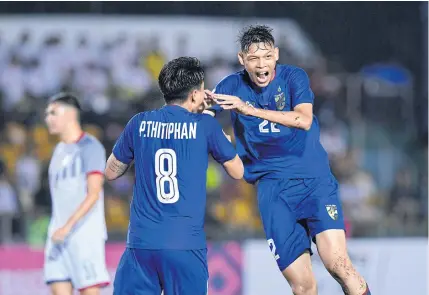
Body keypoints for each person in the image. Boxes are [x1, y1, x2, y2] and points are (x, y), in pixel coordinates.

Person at [204, 25, 371, 295]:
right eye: (254, 59)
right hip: (273, 192)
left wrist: (249, 109)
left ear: (277, 55)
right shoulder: (231, 86)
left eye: (267, 57)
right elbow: (201, 112)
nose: (261, 65)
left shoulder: (294, 78)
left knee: (339, 265)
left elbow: (303, 119)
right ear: (241, 59)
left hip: (313, 182)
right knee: (303, 286)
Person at [106, 56, 244, 295]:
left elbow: (110, 172)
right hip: (185, 245)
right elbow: (237, 171)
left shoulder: (138, 123)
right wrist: (220, 134)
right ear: (193, 95)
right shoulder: (206, 126)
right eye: (202, 90)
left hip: (142, 244)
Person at [44, 93, 110, 295]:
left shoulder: (91, 147)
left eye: (53, 113)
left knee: (88, 290)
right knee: (57, 286)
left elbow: (94, 193)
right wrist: (59, 228)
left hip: (83, 235)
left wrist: (68, 226)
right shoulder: (58, 151)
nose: (48, 118)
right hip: (58, 235)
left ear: (71, 114)